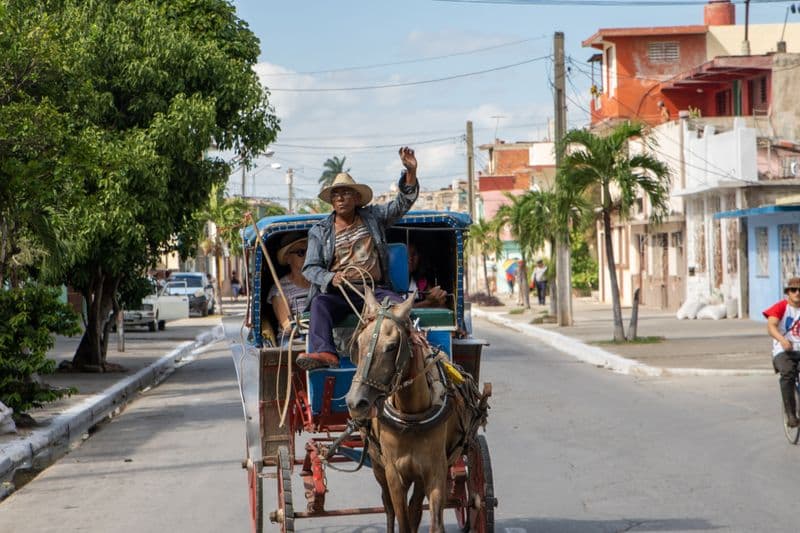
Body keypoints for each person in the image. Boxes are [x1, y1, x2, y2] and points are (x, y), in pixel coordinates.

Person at [297, 147, 419, 370]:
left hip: (375, 290)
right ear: (331, 201)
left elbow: (401, 204)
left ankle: (414, 348)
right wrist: (330, 277)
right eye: (335, 194)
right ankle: (325, 352)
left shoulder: (373, 217)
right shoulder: (319, 231)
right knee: (319, 304)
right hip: (341, 293)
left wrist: (410, 172)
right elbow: (310, 268)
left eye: (345, 193)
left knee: (400, 306)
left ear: (356, 198)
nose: (340, 198)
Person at [764, 277, 800, 427]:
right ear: (788, 292)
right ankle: (791, 414)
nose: (797, 293)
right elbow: (771, 326)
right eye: (794, 290)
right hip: (783, 351)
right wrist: (782, 340)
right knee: (788, 373)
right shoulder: (781, 307)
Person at [267, 234, 311, 341]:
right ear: (288, 258)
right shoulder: (280, 289)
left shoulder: (321, 281)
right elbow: (287, 326)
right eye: (301, 252)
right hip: (294, 340)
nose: (307, 256)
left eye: (310, 251)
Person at [407, 241, 446, 308]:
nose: (410, 259)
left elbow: (441, 307)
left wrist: (439, 299)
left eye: (414, 254)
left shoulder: (421, 283)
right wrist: (427, 303)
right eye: (406, 255)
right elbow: (395, 311)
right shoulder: (390, 283)